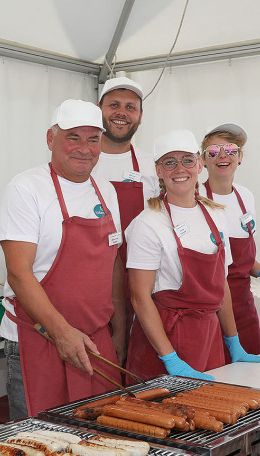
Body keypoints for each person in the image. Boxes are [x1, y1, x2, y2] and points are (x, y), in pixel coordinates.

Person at [0, 99, 125, 419]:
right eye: (73, 137)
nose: (84, 148)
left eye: (93, 139)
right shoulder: (26, 189)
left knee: (102, 445)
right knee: (42, 450)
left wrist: (119, 332)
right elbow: (18, 273)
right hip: (41, 342)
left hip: (96, 344)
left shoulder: (106, 191)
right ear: (51, 139)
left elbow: (114, 265)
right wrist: (63, 334)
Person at [125, 130, 260, 382]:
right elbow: (140, 298)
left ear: (200, 165)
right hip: (164, 339)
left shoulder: (216, 215)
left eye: (187, 160)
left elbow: (220, 282)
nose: (179, 168)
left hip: (209, 337)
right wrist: (169, 357)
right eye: (169, 162)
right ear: (158, 171)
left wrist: (233, 342)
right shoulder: (148, 223)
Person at [200, 124, 260, 358]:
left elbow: (242, 256)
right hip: (209, 309)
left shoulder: (245, 196)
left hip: (244, 307)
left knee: (250, 381)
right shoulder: (194, 197)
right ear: (203, 159)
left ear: (240, 157)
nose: (222, 156)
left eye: (230, 149)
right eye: (213, 151)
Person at [93, 76, 160, 345]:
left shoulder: (151, 166)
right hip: (93, 280)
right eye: (114, 105)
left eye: (130, 107)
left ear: (141, 117)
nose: (122, 113)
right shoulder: (81, 161)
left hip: (139, 280)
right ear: (99, 109)